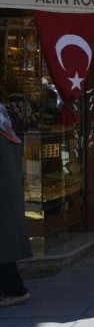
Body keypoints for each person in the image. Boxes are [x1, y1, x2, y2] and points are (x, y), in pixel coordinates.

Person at [0, 103, 31, 307]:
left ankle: (16, 290)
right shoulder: (8, 135)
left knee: (4, 249)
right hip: (7, 198)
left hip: (3, 199)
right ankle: (13, 290)